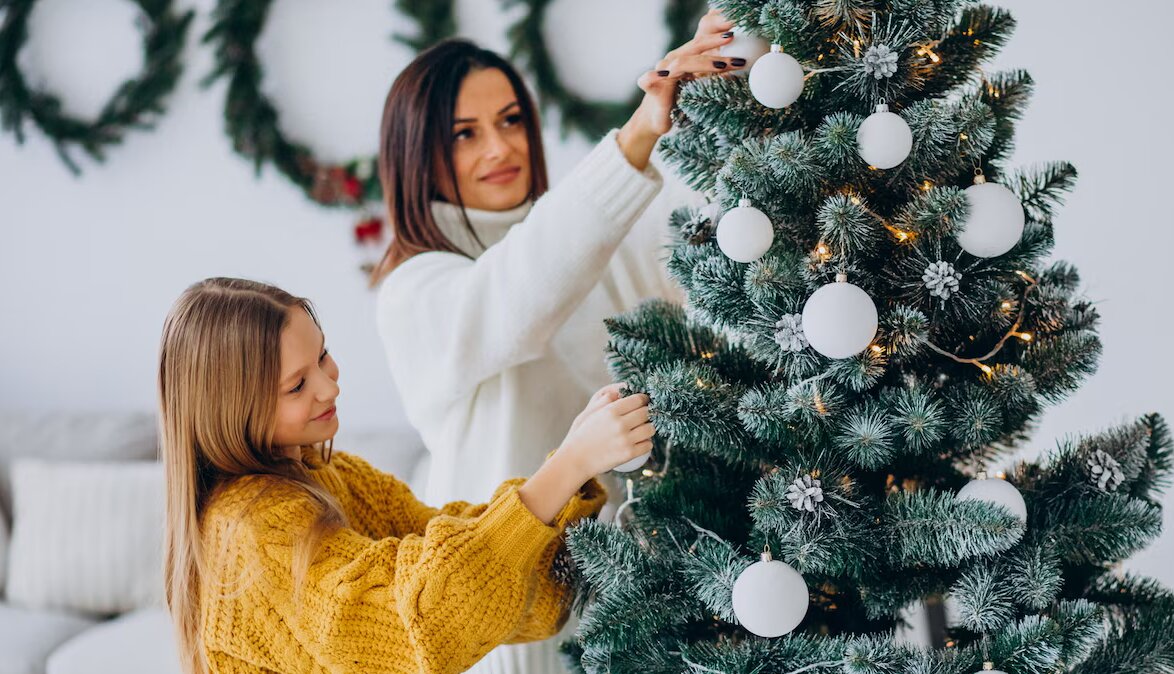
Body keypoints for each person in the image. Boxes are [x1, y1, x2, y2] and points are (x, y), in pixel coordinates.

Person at [372, 13, 739, 672]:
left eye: (512, 120)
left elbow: (684, 222)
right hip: (510, 624)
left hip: (637, 597)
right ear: (415, 152)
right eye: (465, 134)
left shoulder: (578, 233)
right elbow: (520, 292)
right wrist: (636, 133)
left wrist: (722, 70)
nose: (500, 149)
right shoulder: (415, 289)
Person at [160, 277, 654, 674]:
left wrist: (568, 473)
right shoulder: (250, 530)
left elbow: (461, 559)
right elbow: (420, 622)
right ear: (232, 410)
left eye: (323, 356)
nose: (329, 386)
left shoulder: (333, 473)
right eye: (297, 384)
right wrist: (566, 466)